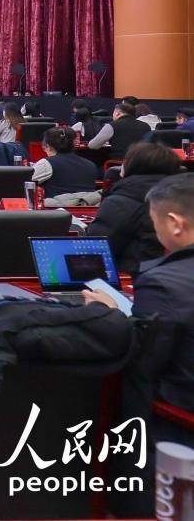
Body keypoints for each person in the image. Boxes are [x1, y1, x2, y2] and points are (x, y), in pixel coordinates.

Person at [83, 173, 194, 423]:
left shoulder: (162, 284)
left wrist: (111, 315)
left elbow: (141, 364)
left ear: (175, 224)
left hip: (174, 423)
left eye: (154, 222)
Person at [86, 142, 182, 273]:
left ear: (131, 165)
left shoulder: (121, 202)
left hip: (132, 276)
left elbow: (95, 249)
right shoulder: (183, 197)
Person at [31, 126, 101, 207]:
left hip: (57, 210)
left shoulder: (46, 163)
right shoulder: (91, 165)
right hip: (88, 210)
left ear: (48, 146)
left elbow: (24, 183)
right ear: (74, 144)